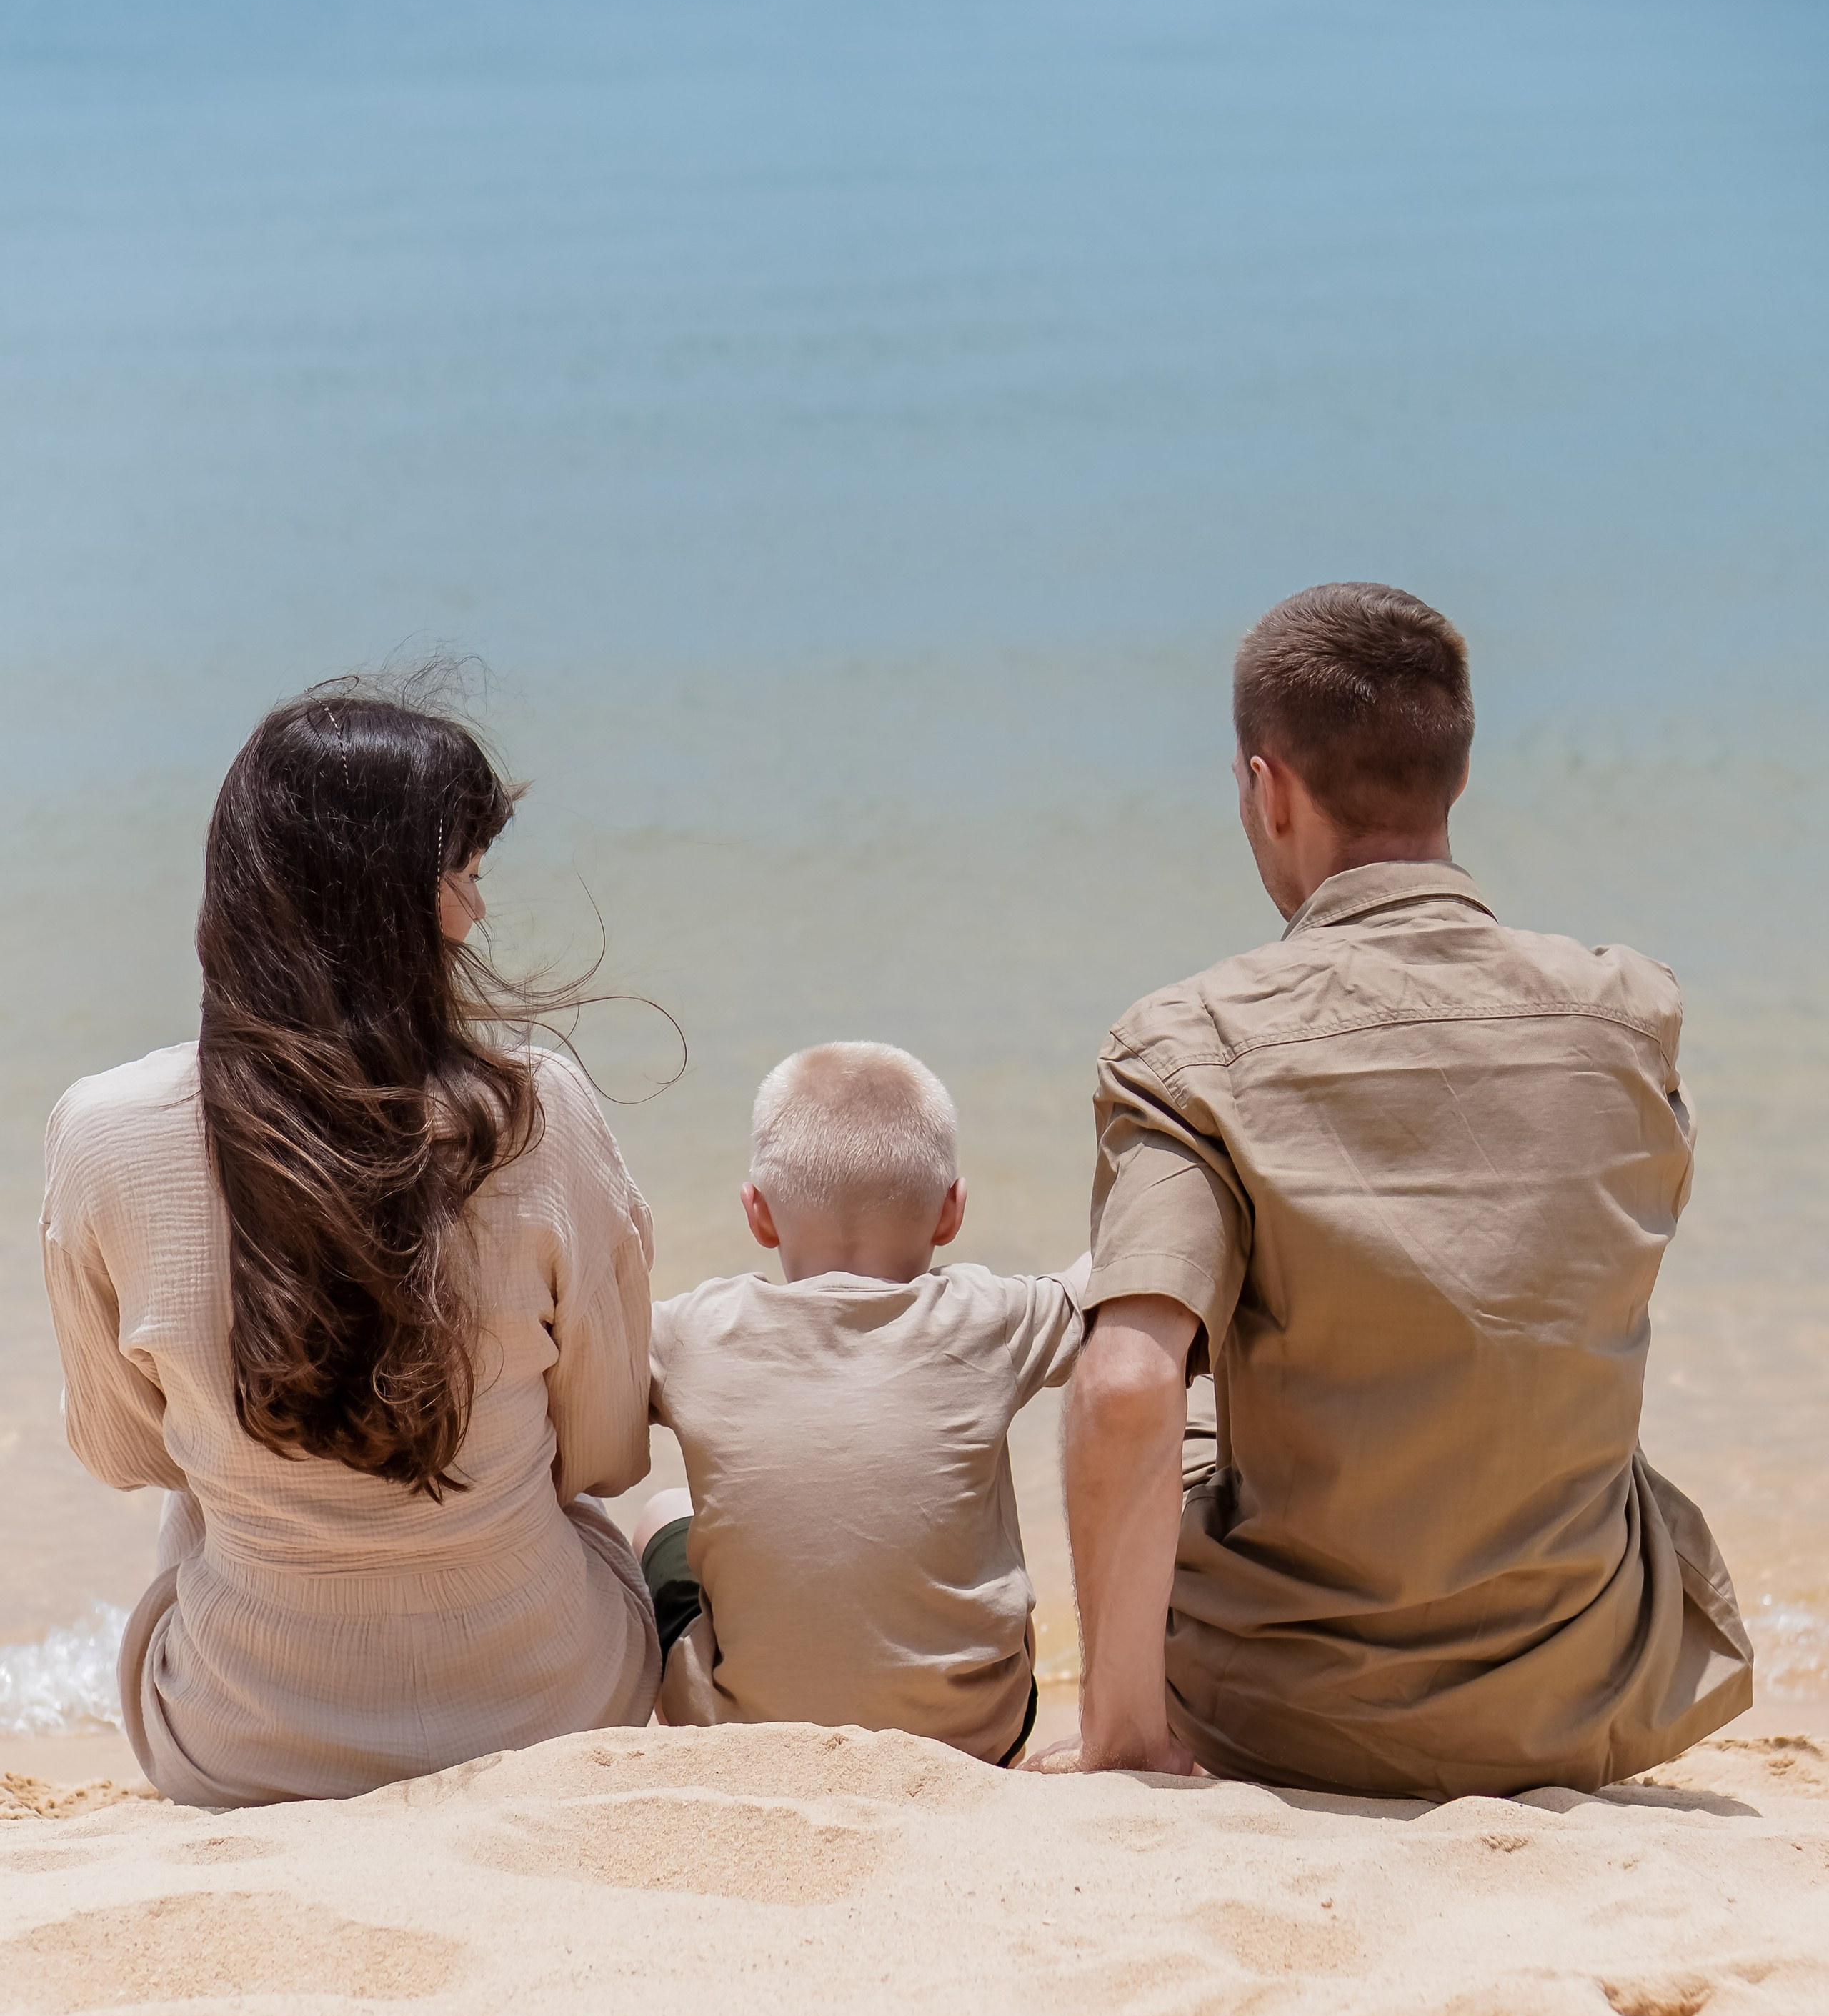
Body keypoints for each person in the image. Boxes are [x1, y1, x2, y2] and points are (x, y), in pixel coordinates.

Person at [1060, 583, 1753, 1798]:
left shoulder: (1186, 1043)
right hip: (1583, 1694)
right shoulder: (1630, 1014)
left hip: (1285, 1715)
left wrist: (1123, 1742)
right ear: (1457, 776)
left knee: (1174, 1368)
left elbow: (1126, 1390)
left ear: (1268, 789)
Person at [40, 687, 660, 1807]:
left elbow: (127, 1454)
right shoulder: (539, 1113)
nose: (478, 909)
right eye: (463, 872)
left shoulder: (103, 1132)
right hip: (552, 1711)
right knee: (630, 1519)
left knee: (204, 1490)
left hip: (237, 1746)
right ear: (392, 903)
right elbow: (605, 1453)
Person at [635, 1042, 1085, 1765]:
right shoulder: (989, 1317)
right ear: (951, 1212)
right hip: (978, 1734)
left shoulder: (691, 1331)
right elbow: (1111, 1281)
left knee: (662, 1512)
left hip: (746, 1738)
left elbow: (588, 1358)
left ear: (758, 1214)